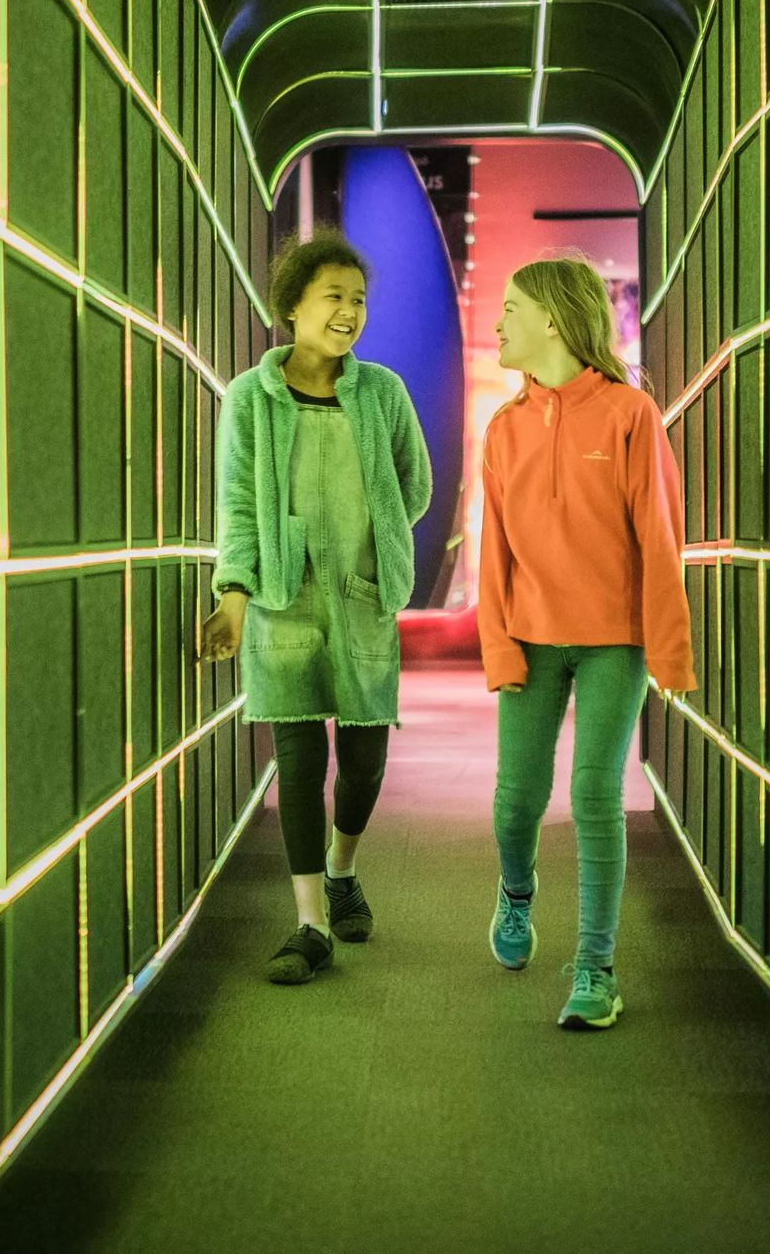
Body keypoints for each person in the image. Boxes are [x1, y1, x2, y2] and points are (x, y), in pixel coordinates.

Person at [201, 228, 432, 984]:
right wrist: (234, 598)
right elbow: (236, 505)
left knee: (365, 762)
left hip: (363, 602)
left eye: (359, 299)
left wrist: (376, 545)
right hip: (282, 603)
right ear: (293, 306)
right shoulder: (250, 399)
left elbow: (416, 487)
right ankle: (307, 925)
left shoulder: (384, 394)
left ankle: (341, 872)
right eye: (334, 296)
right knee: (299, 763)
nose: (350, 311)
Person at [479, 253, 696, 1029]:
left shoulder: (631, 413)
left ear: (552, 318)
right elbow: (492, 554)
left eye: (509, 307)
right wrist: (499, 649)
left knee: (595, 796)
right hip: (531, 642)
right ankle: (515, 895)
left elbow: (659, 539)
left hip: (616, 642)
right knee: (516, 805)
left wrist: (669, 653)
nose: (499, 322)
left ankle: (597, 970)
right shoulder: (502, 430)